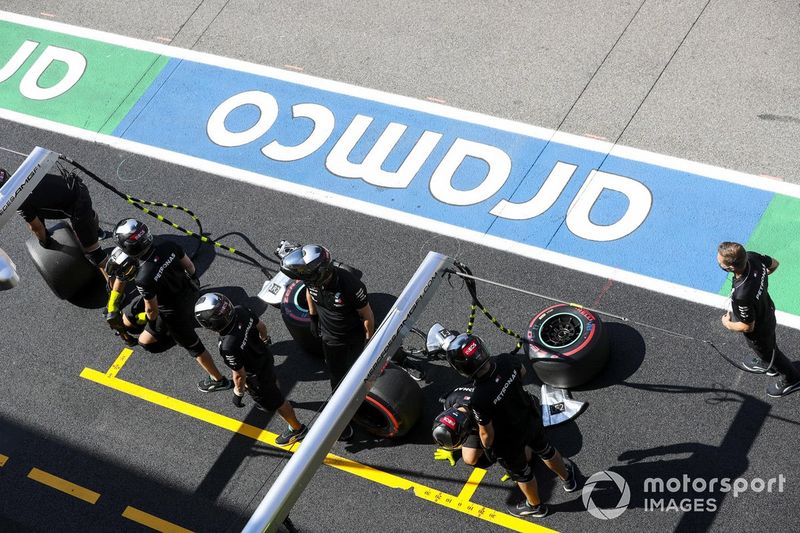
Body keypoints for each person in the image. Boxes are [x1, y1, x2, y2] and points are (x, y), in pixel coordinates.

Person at [446, 333, 578, 519]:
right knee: (546, 450)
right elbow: (522, 373)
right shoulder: (505, 361)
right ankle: (568, 480)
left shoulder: (478, 398)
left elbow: (486, 434)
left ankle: (536, 507)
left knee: (523, 474)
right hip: (529, 419)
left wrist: (488, 449)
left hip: (508, 443)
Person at [104, 218, 232, 393]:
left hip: (171, 312)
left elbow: (152, 311)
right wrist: (114, 308)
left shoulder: (143, 278)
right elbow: (190, 267)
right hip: (189, 293)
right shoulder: (169, 246)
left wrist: (144, 319)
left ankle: (219, 380)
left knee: (150, 342)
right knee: (127, 320)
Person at [280, 244, 375, 440]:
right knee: (336, 379)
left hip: (352, 338)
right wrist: (313, 318)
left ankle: (365, 404)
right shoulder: (312, 280)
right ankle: (344, 420)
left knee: (360, 375)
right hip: (330, 339)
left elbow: (367, 315)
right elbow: (309, 292)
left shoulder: (350, 284)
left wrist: (370, 342)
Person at [194, 292, 309, 445]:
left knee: (277, 402)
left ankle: (297, 429)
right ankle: (275, 395)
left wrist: (238, 393)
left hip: (256, 376)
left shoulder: (227, 346)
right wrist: (265, 339)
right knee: (272, 383)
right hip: (265, 356)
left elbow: (239, 375)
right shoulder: (241, 310)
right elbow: (261, 327)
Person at [717, 242, 800, 397]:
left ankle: (792, 377)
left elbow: (747, 326)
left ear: (731, 268)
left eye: (720, 263)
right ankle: (768, 363)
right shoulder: (752, 257)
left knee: (768, 351)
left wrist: (728, 324)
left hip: (759, 328)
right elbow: (774, 264)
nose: (718, 263)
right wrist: (759, 283)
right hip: (767, 309)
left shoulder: (742, 294)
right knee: (768, 346)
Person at [0, 165, 108, 274]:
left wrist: (44, 241)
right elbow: (38, 202)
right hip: (78, 186)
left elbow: (36, 227)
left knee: (94, 254)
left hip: (78, 207)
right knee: (88, 216)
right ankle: (97, 232)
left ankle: (116, 281)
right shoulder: (25, 174)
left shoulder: (20, 202)